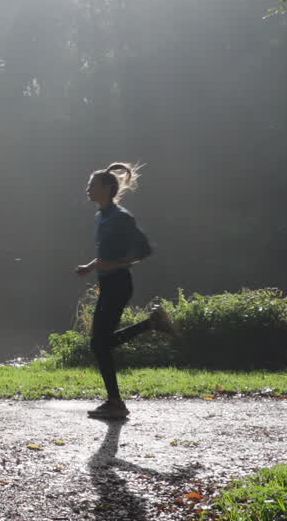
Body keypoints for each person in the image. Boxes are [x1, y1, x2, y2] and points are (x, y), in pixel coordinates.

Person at [74, 162, 176, 419]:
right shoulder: (101, 216)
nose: (87, 189)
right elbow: (107, 253)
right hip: (108, 284)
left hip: (119, 284)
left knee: (99, 344)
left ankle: (116, 402)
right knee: (100, 344)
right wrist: (92, 265)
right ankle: (115, 401)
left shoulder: (122, 217)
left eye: (92, 185)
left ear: (107, 188)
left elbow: (143, 250)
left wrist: (115, 264)